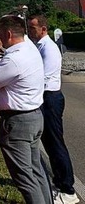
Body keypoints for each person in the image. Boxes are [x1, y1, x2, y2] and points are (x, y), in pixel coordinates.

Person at [0, 15, 51, 204]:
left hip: (17, 122)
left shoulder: (14, 58)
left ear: (7, 33)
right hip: (34, 116)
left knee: (25, 178)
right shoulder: (30, 50)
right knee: (36, 170)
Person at [27, 15, 79, 204]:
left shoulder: (49, 48)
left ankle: (68, 189)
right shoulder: (38, 46)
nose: (30, 31)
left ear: (43, 29)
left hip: (50, 98)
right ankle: (60, 182)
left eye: (33, 28)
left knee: (56, 144)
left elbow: (44, 78)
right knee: (50, 144)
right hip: (46, 98)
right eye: (29, 27)